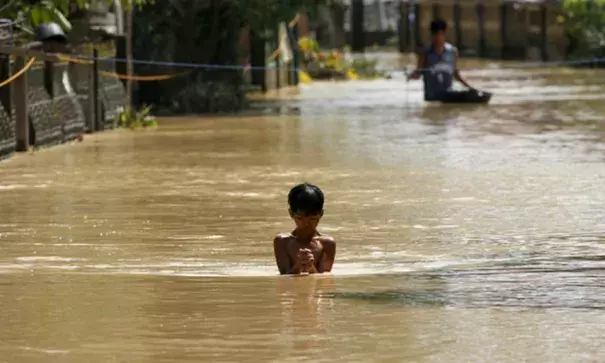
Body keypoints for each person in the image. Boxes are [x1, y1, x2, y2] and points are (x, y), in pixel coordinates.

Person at [273, 183, 336, 275]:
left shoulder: (327, 243)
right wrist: (298, 266)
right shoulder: (282, 241)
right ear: (291, 214)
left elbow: (324, 280)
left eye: (312, 219)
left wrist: (311, 266)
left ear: (321, 214)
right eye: (300, 218)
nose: (306, 224)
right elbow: (284, 277)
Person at [408, 19, 476, 102]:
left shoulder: (453, 52)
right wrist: (410, 75)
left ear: (444, 34)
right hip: (431, 99)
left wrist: (470, 88)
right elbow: (418, 73)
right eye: (434, 35)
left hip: (448, 98)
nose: (437, 38)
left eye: (439, 34)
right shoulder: (424, 53)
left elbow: (456, 74)